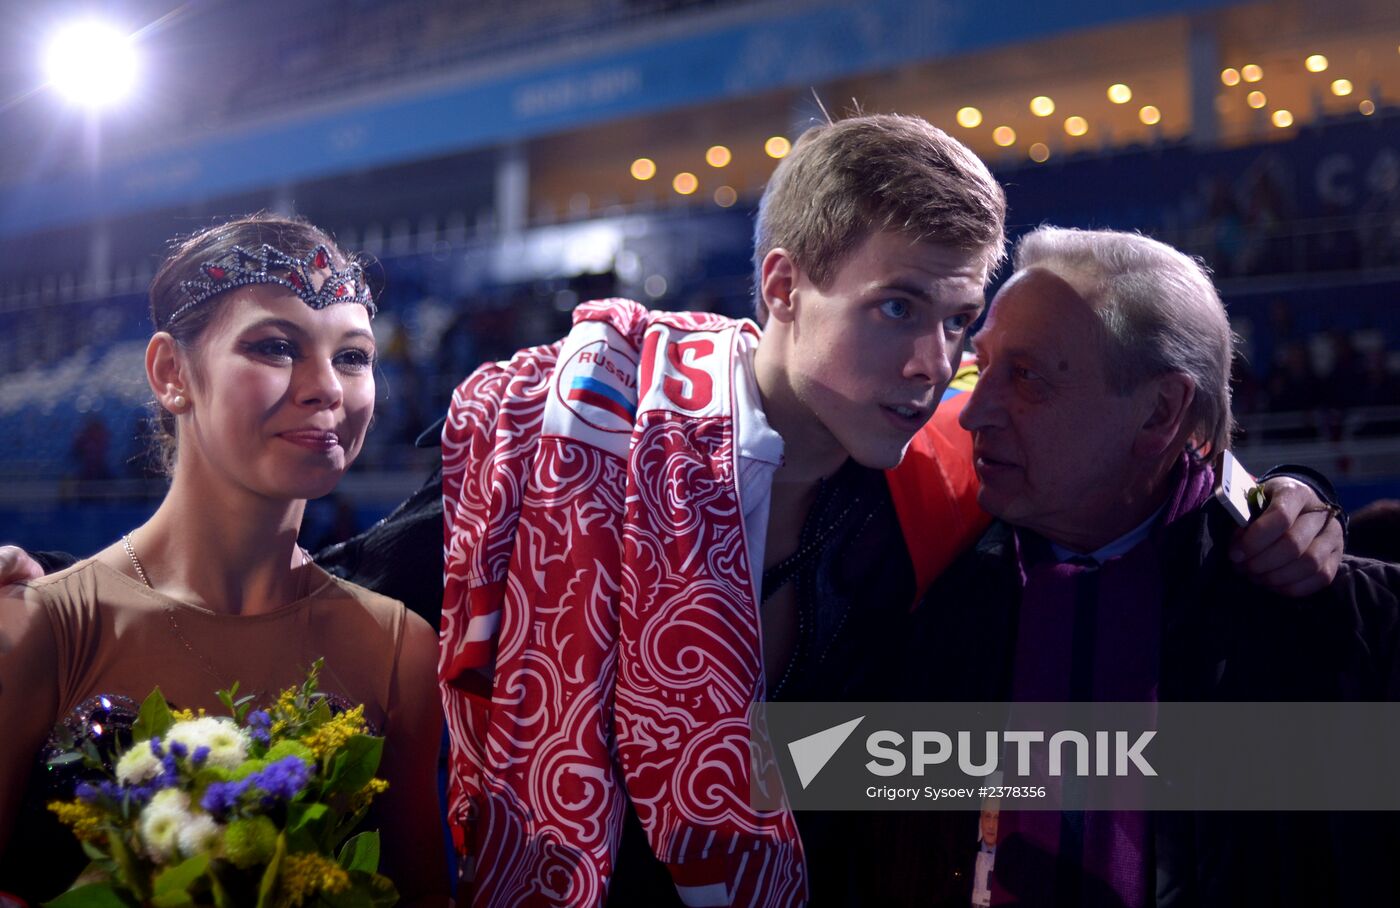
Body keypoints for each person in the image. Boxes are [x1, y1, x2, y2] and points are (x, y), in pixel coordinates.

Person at [0, 117, 1345, 906]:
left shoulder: (942, 476)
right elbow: (353, 590)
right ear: (783, 284)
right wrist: (75, 602)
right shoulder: (573, 429)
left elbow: (1160, 459)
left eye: (955, 319)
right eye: (896, 310)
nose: (937, 365)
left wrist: (1277, 502)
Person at [905, 226, 1400, 907]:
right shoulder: (917, 597)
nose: (975, 412)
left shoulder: (1352, 629)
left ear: (1160, 412)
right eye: (979, 365)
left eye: (1025, 377)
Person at [0, 215, 448, 905]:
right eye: (275, 346)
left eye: (354, 356)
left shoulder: (399, 649)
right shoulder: (38, 627)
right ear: (171, 372)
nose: (327, 386)